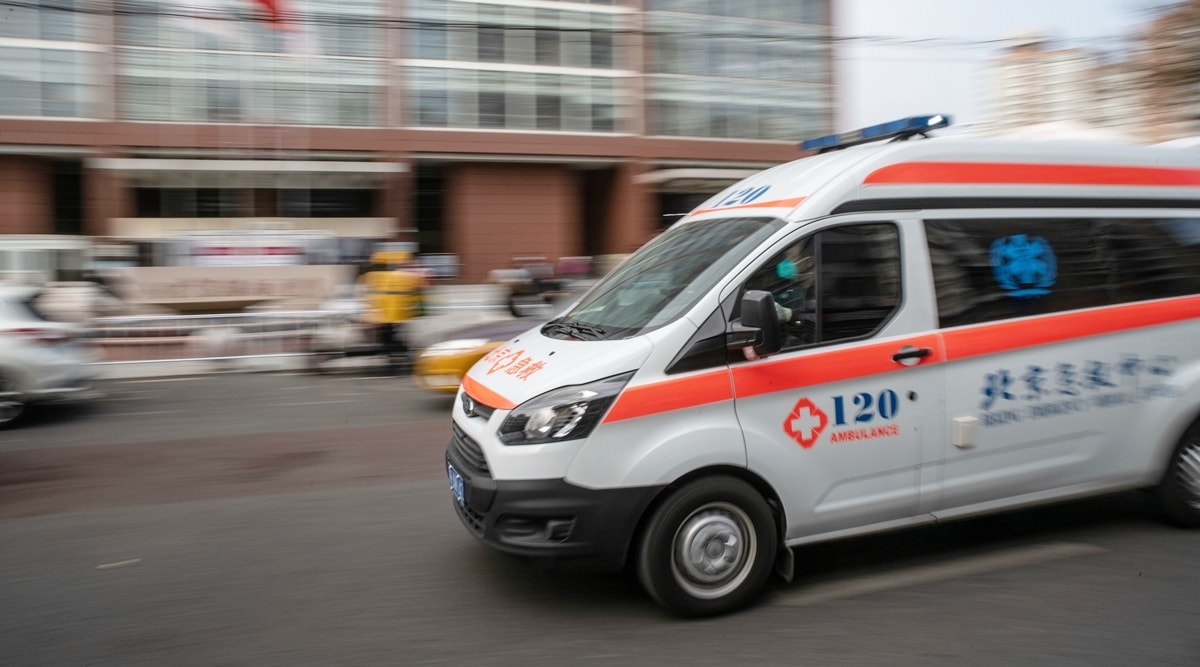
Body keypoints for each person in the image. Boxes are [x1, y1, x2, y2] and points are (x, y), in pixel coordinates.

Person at [358, 251, 426, 370]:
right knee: (391, 335)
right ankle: (398, 355)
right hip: (396, 313)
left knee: (386, 336)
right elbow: (415, 288)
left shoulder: (371, 276)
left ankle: (394, 356)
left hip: (383, 313)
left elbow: (367, 293)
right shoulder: (399, 275)